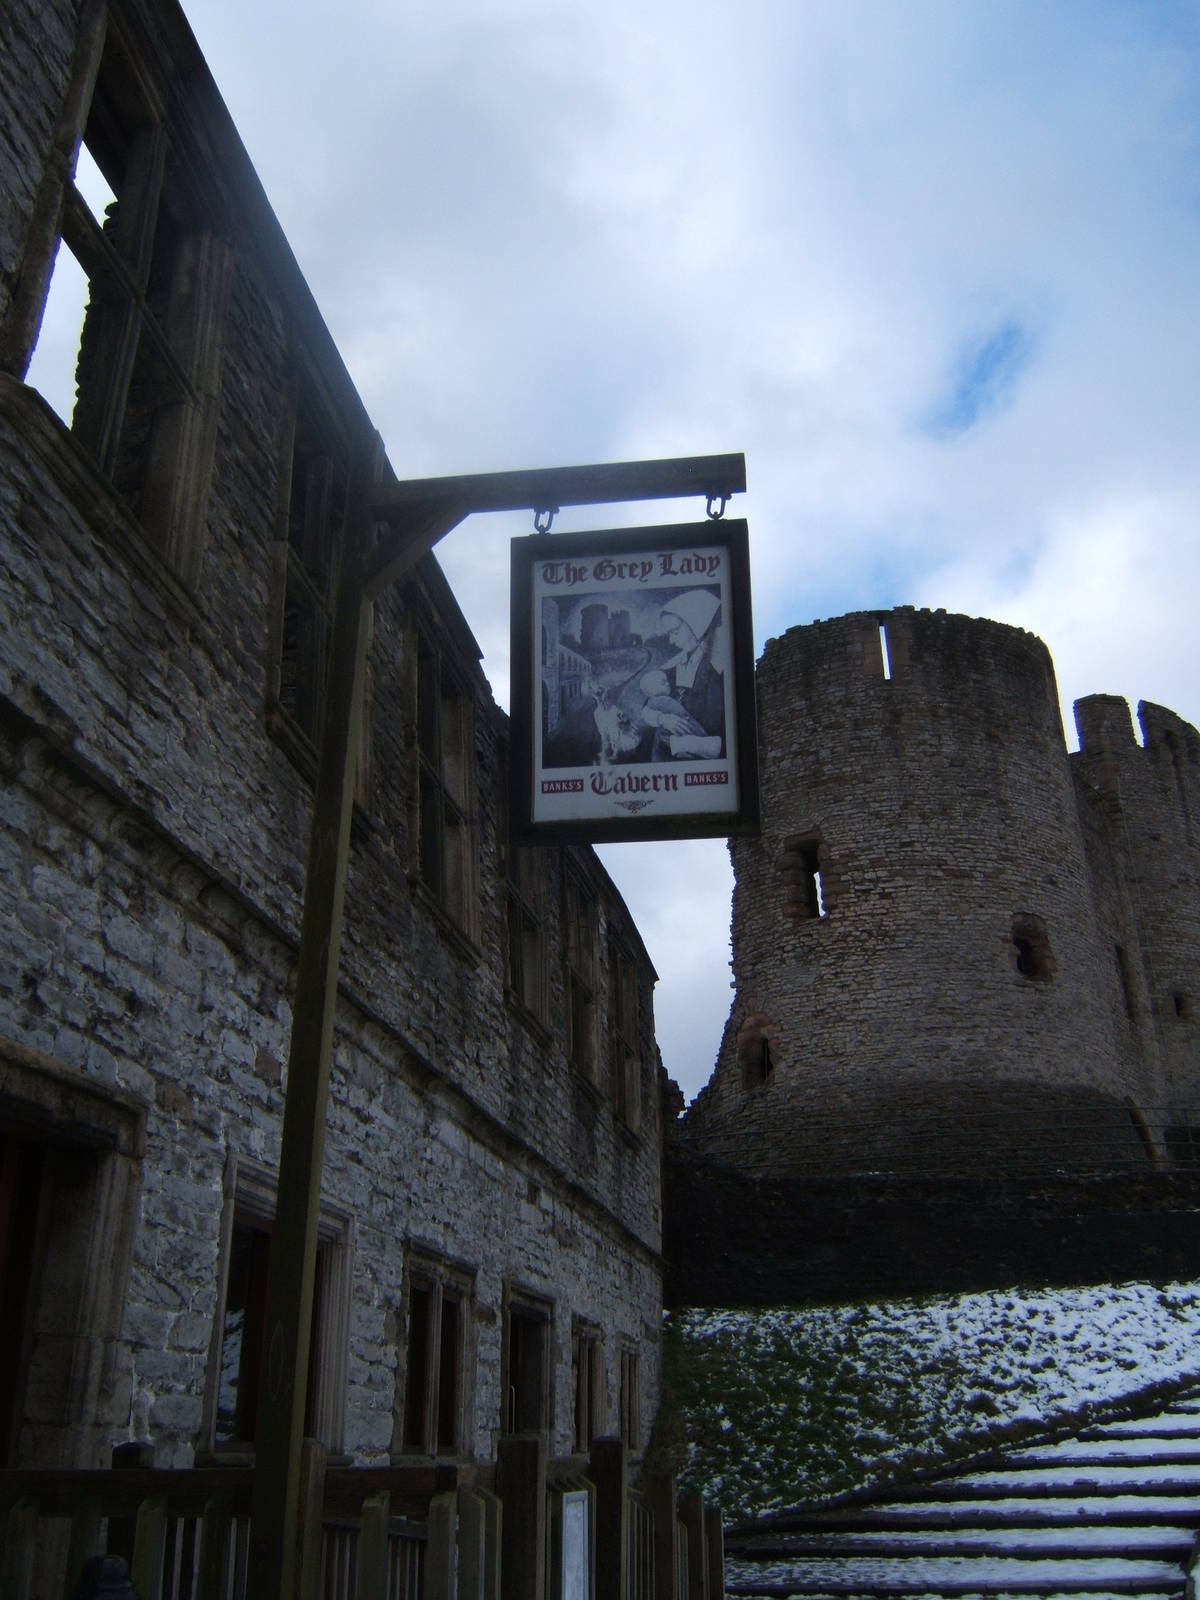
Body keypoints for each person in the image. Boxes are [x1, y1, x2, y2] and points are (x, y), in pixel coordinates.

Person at [643, 589, 726, 754]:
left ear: (695, 622)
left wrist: (683, 744)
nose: (672, 641)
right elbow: (647, 707)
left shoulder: (718, 670)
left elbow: (726, 737)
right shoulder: (673, 667)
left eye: (674, 631)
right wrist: (663, 719)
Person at [637, 668, 721, 760]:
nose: (668, 684)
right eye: (663, 683)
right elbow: (646, 711)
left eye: (666, 681)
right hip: (677, 732)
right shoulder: (659, 700)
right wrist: (661, 718)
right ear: (650, 691)